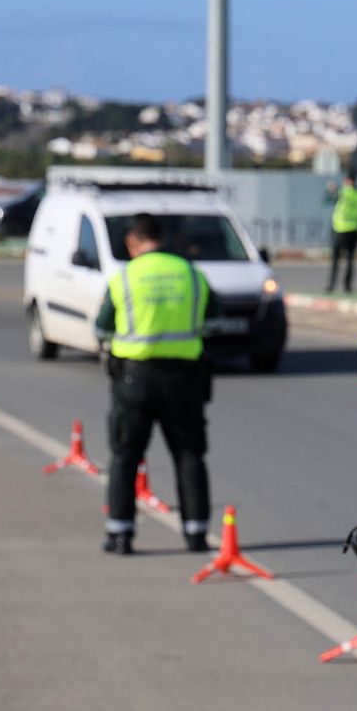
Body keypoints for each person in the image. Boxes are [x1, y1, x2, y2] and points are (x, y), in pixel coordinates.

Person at [94, 212, 213, 555]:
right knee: (189, 454)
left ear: (134, 243)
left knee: (125, 455)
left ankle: (120, 534)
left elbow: (102, 328)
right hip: (184, 378)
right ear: (162, 240)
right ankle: (196, 533)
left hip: (135, 378)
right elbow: (215, 318)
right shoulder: (191, 274)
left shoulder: (125, 277)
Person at [327, 170, 357, 292]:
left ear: (347, 180)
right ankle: (347, 286)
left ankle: (332, 285)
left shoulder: (343, 192)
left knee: (336, 260)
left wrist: (331, 189)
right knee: (350, 260)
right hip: (354, 230)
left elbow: (328, 199)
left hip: (340, 229)